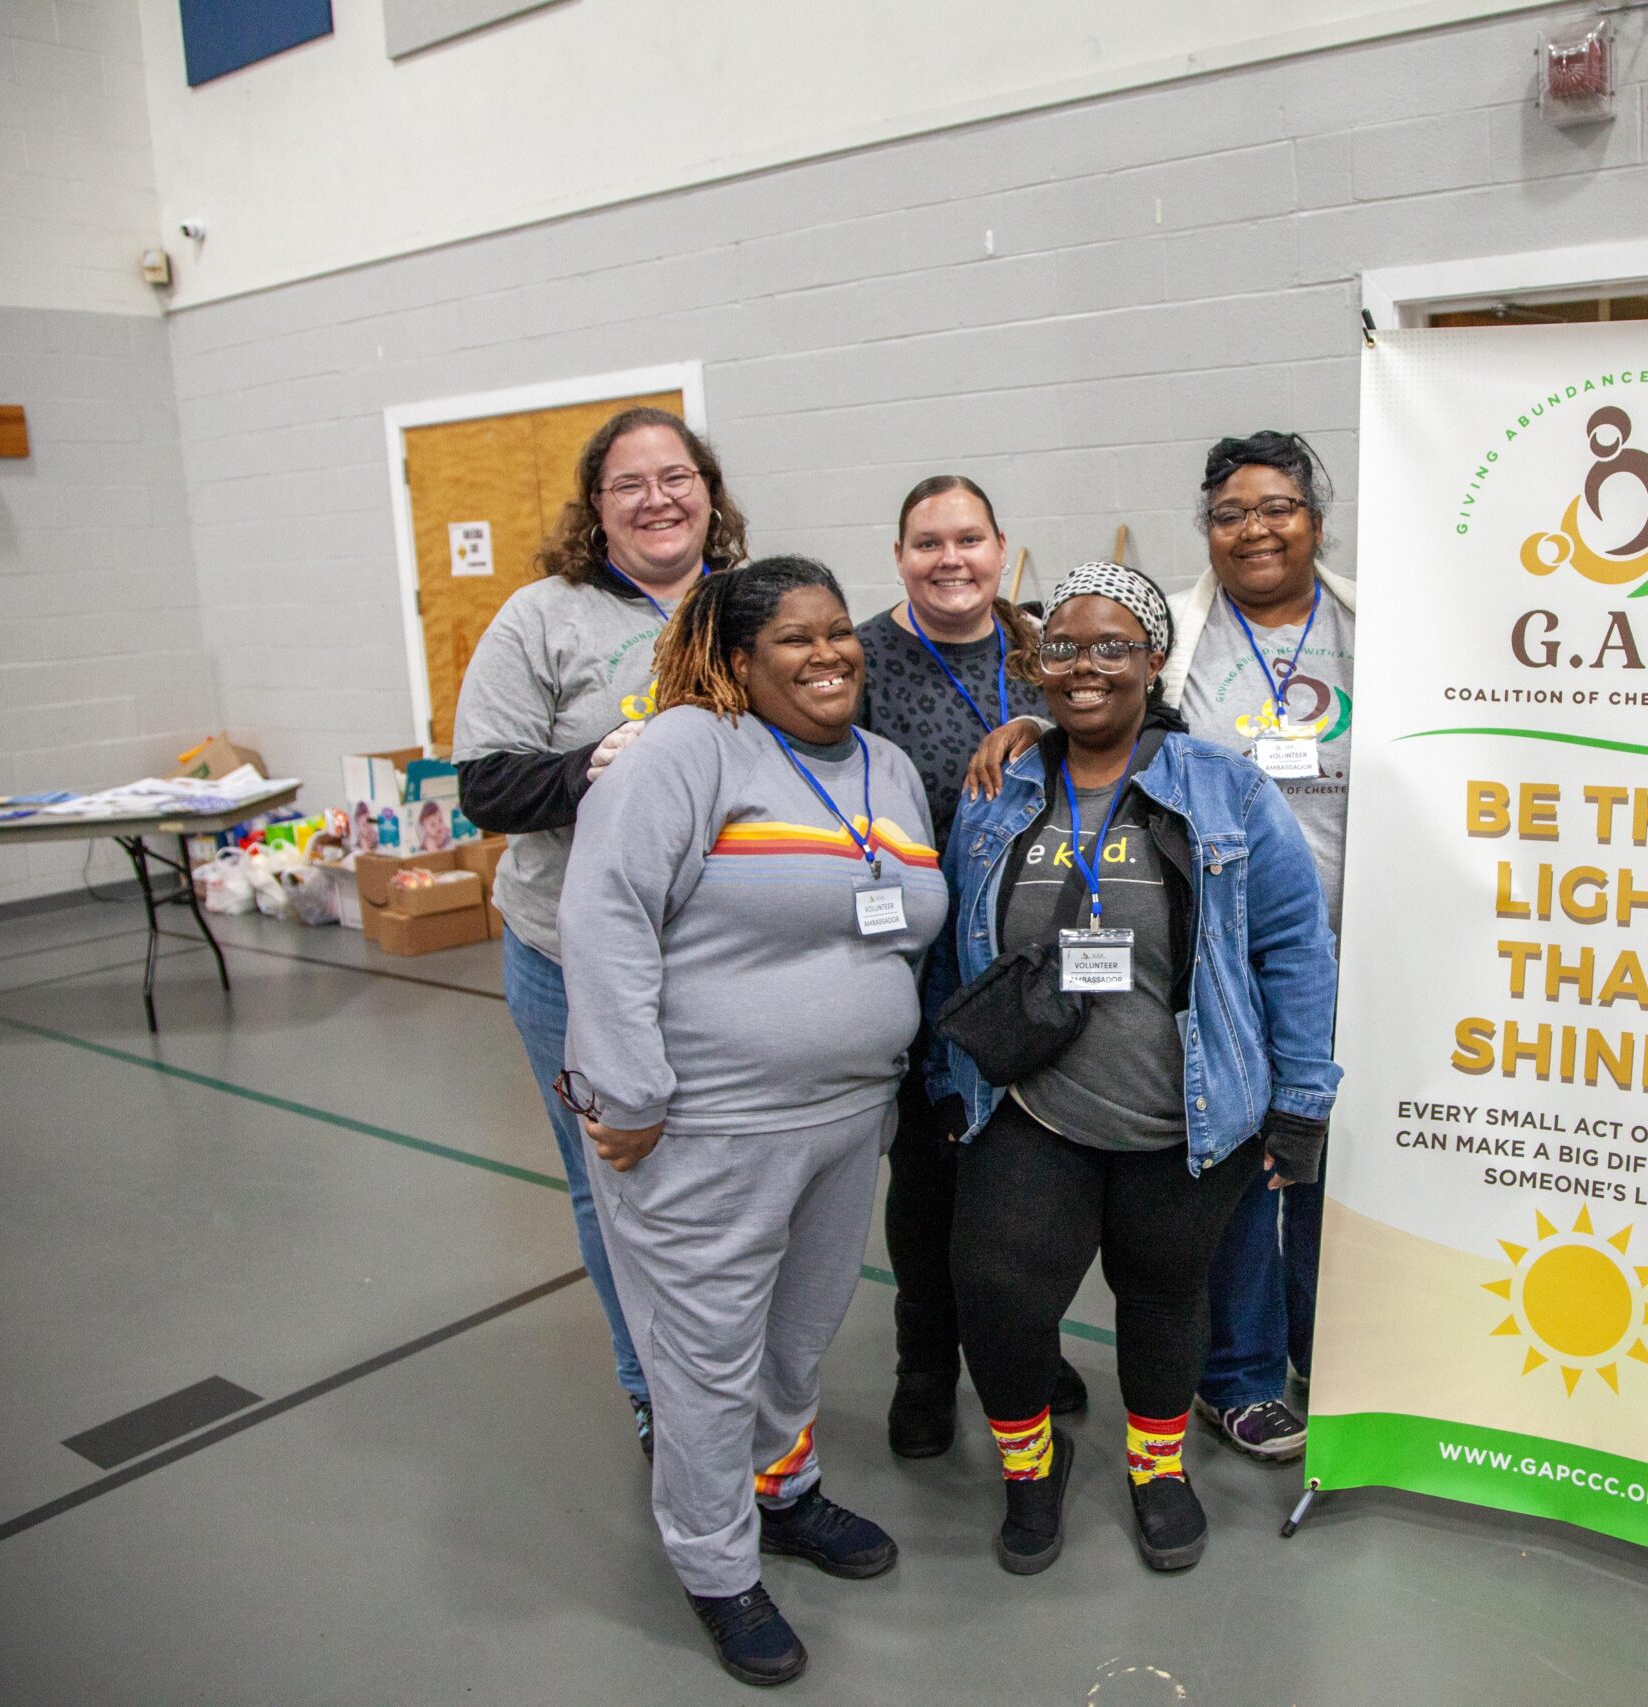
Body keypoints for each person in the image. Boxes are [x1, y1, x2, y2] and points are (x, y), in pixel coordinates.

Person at [560, 558, 948, 1688]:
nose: (830, 654)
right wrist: (626, 1091)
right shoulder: (687, 751)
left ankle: (783, 1493)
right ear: (737, 661)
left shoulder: (883, 765)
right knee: (703, 1362)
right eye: (795, 639)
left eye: (839, 633)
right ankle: (717, 1565)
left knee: (797, 1336)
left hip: (845, 1120)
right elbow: (606, 913)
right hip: (708, 1129)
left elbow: (899, 923)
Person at [935, 562, 1339, 1576]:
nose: (1084, 668)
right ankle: (1033, 1466)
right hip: (1033, 1107)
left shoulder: (1223, 785)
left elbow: (1294, 943)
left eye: (1112, 646)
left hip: (1187, 1114)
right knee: (998, 1293)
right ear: (1037, 665)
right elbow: (956, 943)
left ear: (1152, 661)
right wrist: (952, 1075)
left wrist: (1299, 1102)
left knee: (1163, 1300)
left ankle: (1158, 1470)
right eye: (1062, 647)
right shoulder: (1000, 785)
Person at [453, 405, 747, 1460]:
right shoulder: (543, 617)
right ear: (596, 508)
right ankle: (651, 1388)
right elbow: (485, 785)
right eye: (630, 483)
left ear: (709, 492)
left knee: (724, 1179)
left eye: (677, 476)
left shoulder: (749, 605)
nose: (657, 498)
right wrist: (591, 769)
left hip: (722, 957)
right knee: (613, 1180)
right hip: (571, 961)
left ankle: (731, 1373)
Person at [852, 474, 1084, 1460]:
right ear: (900, 555)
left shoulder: (1040, 650)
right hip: (920, 968)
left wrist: (1043, 725)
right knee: (931, 1179)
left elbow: (1115, 734)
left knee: (1032, 1175)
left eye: (969, 540)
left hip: (1035, 955)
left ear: (1001, 547)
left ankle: (1023, 1343)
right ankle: (924, 1365)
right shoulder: (860, 659)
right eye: (926, 542)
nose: (950, 560)